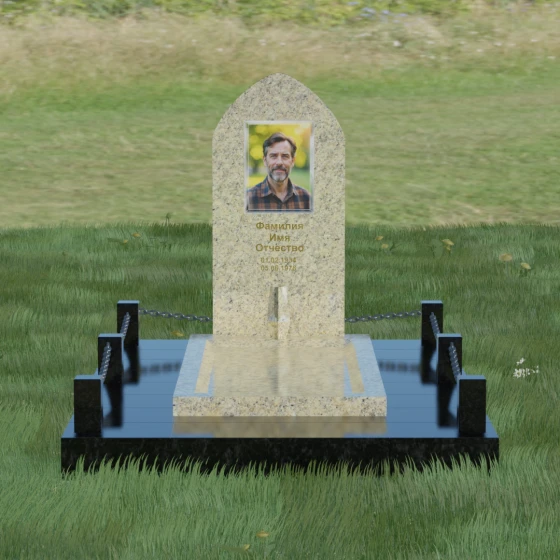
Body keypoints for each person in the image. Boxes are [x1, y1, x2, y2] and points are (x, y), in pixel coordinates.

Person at [246, 132, 311, 211]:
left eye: (285, 156)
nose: (279, 162)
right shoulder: (247, 200)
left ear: (293, 161)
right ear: (265, 161)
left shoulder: (307, 199)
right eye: (273, 156)